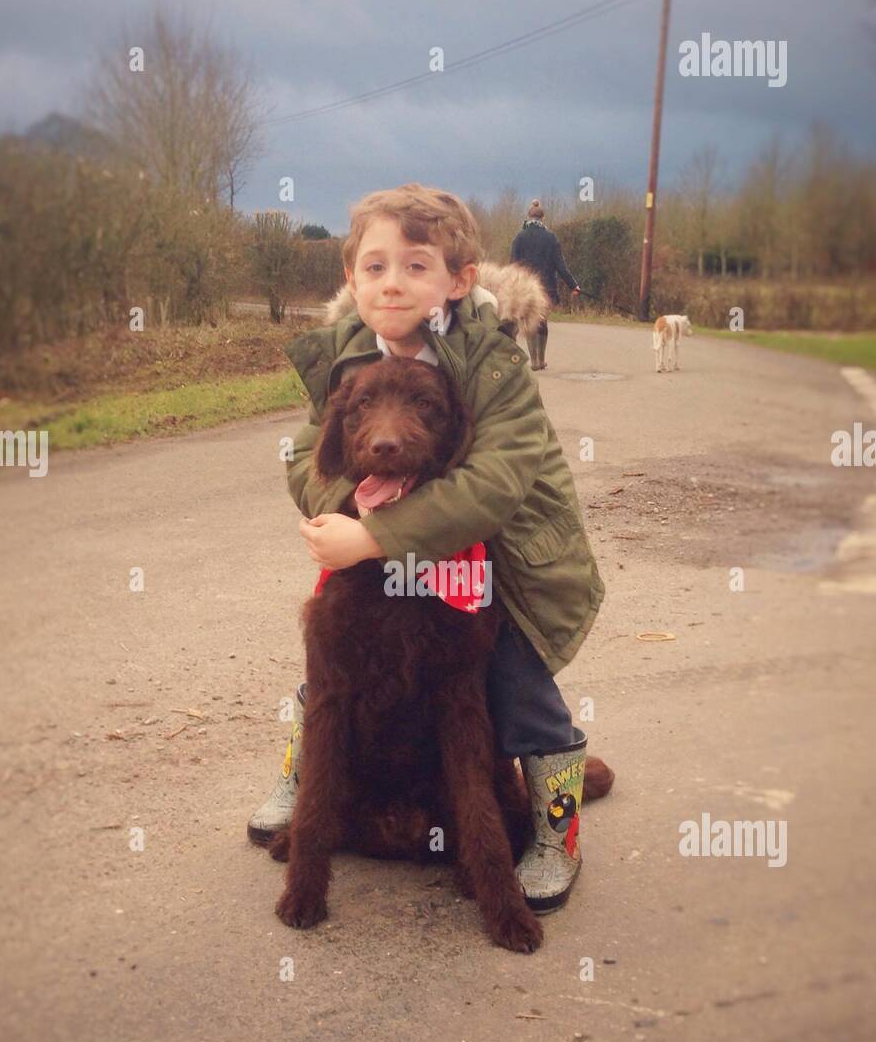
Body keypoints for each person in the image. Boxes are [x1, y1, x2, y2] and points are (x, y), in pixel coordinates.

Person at [246, 182, 606, 910]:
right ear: (351, 279)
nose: (392, 283)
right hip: (379, 559)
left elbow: (494, 484)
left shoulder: (492, 362)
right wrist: (340, 518)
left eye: (416, 265)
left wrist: (372, 534)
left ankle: (554, 833)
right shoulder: (345, 354)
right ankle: (305, 775)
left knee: (516, 694)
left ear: (459, 280)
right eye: (374, 267)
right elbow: (307, 455)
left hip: (503, 567)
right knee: (336, 667)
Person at [509, 199, 581, 371]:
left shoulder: (519, 238)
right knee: (542, 322)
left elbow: (512, 265)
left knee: (530, 322)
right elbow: (560, 265)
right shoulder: (551, 238)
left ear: (528, 217)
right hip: (546, 288)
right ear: (543, 219)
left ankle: (533, 361)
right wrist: (573, 285)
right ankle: (541, 360)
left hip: (526, 288)